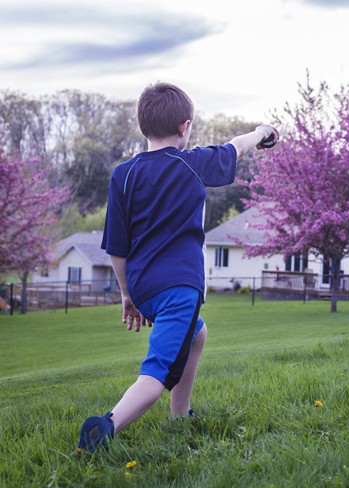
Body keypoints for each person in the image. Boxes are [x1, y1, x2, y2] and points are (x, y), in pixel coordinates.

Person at [77, 81, 277, 452]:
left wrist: (127, 295)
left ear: (143, 126)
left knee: (196, 335)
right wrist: (262, 133)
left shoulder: (123, 174)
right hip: (179, 288)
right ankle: (105, 428)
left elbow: (116, 249)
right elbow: (236, 146)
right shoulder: (191, 163)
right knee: (157, 371)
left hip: (143, 287)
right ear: (185, 126)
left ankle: (179, 415)